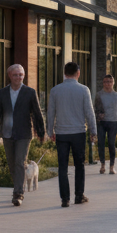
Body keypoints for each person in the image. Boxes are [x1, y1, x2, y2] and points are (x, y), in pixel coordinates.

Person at [0, 63, 46, 207]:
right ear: (9, 76)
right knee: (12, 163)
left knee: (20, 161)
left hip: (24, 133)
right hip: (7, 132)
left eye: (21, 75)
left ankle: (18, 193)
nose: (18, 77)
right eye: (15, 75)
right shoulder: (2, 93)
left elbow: (37, 113)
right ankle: (18, 188)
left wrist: (41, 132)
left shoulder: (30, 92)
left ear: (24, 76)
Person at [46, 62, 97, 208]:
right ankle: (79, 195)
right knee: (79, 165)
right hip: (78, 132)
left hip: (61, 133)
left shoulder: (55, 90)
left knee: (62, 166)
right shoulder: (83, 90)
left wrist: (50, 131)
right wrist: (93, 131)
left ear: (64, 73)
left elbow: (51, 113)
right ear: (78, 73)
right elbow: (89, 112)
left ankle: (65, 199)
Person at [93, 73, 117, 175]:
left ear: (113, 83)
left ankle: (112, 166)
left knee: (111, 144)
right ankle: (103, 165)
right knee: (101, 144)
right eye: (106, 82)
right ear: (103, 83)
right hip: (101, 123)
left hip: (113, 122)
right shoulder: (99, 95)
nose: (108, 84)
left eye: (110, 82)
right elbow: (95, 109)